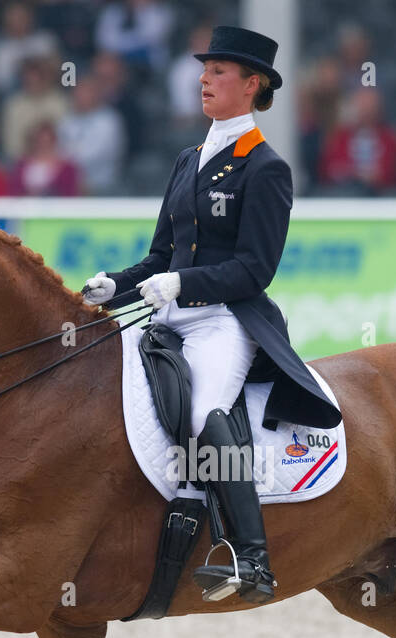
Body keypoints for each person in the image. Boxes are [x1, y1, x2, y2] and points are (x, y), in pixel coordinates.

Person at [82, 26, 340, 604]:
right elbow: (158, 255)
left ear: (252, 85)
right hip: (168, 319)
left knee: (204, 413)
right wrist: (114, 288)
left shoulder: (265, 167)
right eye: (205, 69)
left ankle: (252, 558)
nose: (204, 78)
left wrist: (182, 282)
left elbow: (256, 268)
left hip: (225, 321)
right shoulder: (187, 159)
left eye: (220, 71)